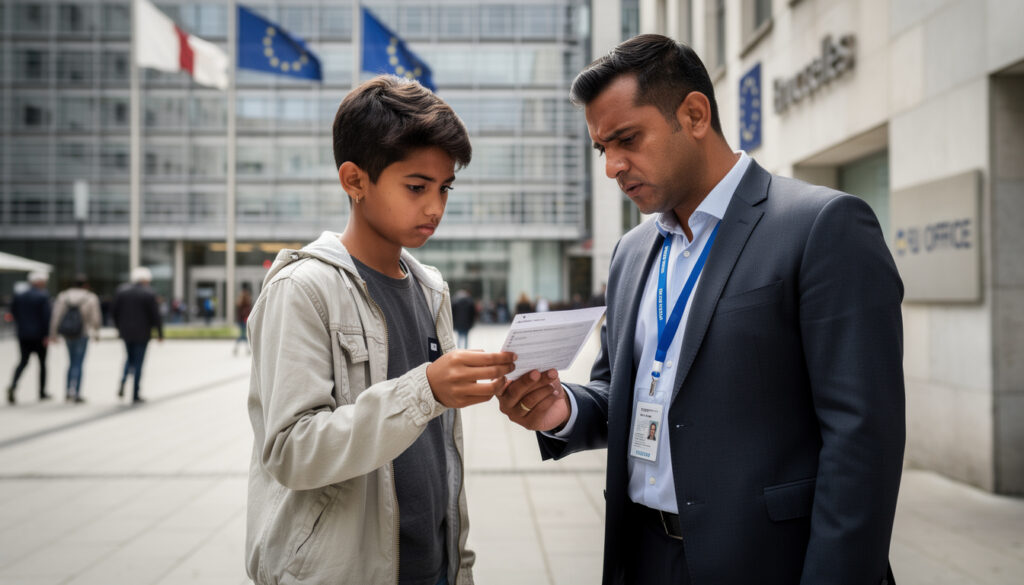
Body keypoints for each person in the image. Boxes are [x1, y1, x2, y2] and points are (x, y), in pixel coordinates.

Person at [498, 35, 905, 585]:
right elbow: (621, 388)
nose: (612, 166)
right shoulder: (632, 251)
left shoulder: (821, 226)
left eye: (626, 139)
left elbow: (863, 440)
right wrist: (562, 410)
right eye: (602, 148)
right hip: (643, 555)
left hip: (768, 561)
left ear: (693, 114)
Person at [245, 75, 517, 585]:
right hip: (342, 571)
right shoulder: (303, 289)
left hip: (432, 565)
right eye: (416, 187)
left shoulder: (430, 288)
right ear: (354, 180)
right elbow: (290, 451)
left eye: (444, 188)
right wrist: (425, 390)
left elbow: (437, 452)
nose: (435, 207)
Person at [112, 266, 163, 404]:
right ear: (146, 279)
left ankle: (123, 380)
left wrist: (118, 328)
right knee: (139, 363)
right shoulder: (148, 293)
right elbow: (156, 315)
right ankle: (135, 393)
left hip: (126, 333)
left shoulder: (122, 291)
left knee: (129, 358)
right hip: (142, 333)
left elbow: (114, 312)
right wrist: (160, 333)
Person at [49, 275, 102, 403]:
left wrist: (53, 334)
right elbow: (95, 317)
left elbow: (56, 316)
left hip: (67, 334)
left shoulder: (63, 296)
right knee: (78, 363)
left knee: (70, 362)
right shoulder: (90, 297)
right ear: (85, 285)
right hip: (82, 333)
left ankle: (68, 391)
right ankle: (77, 392)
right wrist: (96, 332)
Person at [6, 271, 52, 404]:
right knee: (42, 364)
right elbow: (46, 318)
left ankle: (13, 385)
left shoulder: (20, 295)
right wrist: (47, 335)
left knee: (23, 361)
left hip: (23, 334)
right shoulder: (42, 296)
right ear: (39, 282)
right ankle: (42, 392)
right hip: (39, 335)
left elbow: (13, 312)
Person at [233, 283, 253, 356]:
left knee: (243, 335)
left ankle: (238, 348)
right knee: (243, 335)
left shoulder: (240, 298)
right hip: (243, 319)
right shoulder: (245, 298)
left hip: (241, 320)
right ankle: (244, 348)